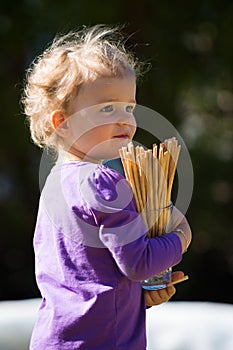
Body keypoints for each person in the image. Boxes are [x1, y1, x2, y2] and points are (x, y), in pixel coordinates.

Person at [22, 25, 192, 350]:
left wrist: (137, 296)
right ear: (62, 122)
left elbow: (88, 277)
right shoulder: (104, 182)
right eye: (107, 109)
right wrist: (181, 237)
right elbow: (139, 262)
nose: (127, 120)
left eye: (129, 107)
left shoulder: (55, 184)